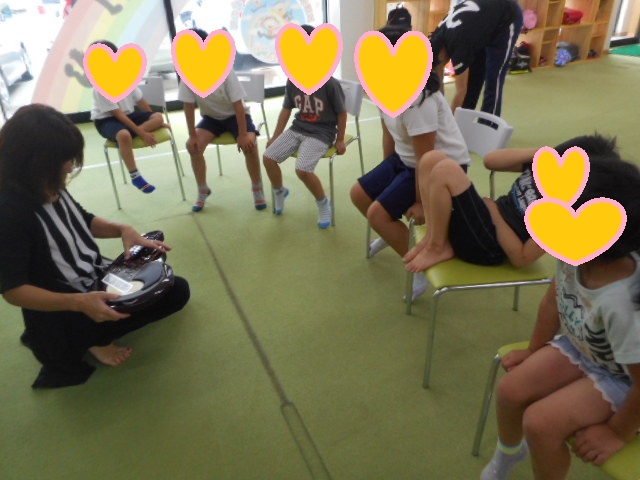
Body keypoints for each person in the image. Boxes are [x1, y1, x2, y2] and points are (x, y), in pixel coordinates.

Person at [0, 104, 191, 389]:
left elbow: (83, 219)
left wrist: (123, 230)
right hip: (66, 305)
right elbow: (14, 290)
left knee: (177, 290)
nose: (69, 169)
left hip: (95, 279)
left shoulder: (48, 182)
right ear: (34, 163)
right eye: (63, 163)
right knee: (90, 330)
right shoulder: (9, 212)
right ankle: (92, 340)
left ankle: (96, 331)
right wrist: (79, 303)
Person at [480, 152, 640, 480]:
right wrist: (533, 350)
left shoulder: (622, 303)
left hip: (624, 380)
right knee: (510, 391)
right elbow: (552, 304)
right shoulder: (574, 251)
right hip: (583, 349)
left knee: (540, 424)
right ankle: (509, 452)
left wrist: (617, 432)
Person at [350, 25, 471, 300]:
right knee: (359, 195)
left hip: (441, 168)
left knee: (377, 215)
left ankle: (421, 264)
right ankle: (396, 234)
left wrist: (421, 203)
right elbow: (388, 135)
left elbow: (425, 159)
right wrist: (387, 179)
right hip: (407, 159)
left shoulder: (419, 101)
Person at [404, 134, 620, 274]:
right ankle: (434, 238)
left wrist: (495, 214)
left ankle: (437, 247)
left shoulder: (565, 211)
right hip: (482, 222)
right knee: (431, 158)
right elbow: (491, 161)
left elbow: (521, 258)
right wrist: (543, 153)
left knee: (446, 170)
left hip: (490, 246)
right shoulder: (547, 170)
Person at [263, 24, 347, 229]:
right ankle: (279, 191)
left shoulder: (329, 83)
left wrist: (340, 139)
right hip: (298, 128)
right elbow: (286, 109)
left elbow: (342, 113)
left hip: (321, 133)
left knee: (302, 169)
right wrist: (275, 136)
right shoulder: (293, 79)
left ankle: (323, 203)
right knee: (268, 158)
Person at [179, 28, 266, 213]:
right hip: (211, 119)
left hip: (236, 116)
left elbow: (238, 104)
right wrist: (192, 135)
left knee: (250, 145)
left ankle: (257, 187)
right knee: (193, 147)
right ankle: (203, 189)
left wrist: (243, 134)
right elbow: (188, 106)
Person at [90, 40, 164, 193]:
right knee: (123, 134)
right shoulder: (100, 86)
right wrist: (143, 133)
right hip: (106, 120)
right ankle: (135, 176)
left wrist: (154, 119)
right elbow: (118, 115)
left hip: (129, 115)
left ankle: (124, 140)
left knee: (158, 117)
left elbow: (142, 103)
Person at [429, 0, 523, 116]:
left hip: (506, 17)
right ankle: (464, 119)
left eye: (440, 65)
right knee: (473, 78)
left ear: (441, 55)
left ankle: (489, 123)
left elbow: (461, 91)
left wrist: (449, 122)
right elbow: (438, 86)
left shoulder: (459, 46)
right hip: (480, 25)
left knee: (494, 78)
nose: (440, 68)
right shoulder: (435, 39)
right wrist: (439, 114)